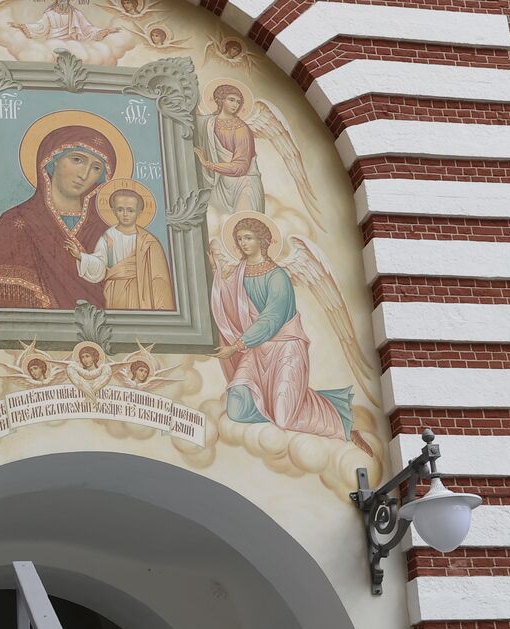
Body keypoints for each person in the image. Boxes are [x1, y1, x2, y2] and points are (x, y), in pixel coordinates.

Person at [211, 218, 374, 455]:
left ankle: (340, 420)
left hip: (285, 347)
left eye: (248, 238)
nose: (242, 243)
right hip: (256, 350)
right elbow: (227, 300)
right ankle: (287, 399)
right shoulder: (238, 273)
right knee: (237, 408)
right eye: (239, 239)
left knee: (285, 418)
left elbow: (272, 318)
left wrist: (236, 347)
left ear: (262, 240)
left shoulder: (277, 276)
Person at [0, 125, 117, 309]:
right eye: (77, 160)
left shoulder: (105, 231)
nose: (84, 175)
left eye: (96, 168)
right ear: (53, 160)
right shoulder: (15, 222)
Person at [74, 186, 175, 311]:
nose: (125, 214)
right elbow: (100, 263)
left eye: (130, 210)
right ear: (113, 210)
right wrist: (80, 256)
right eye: (120, 209)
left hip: (141, 290)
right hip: (116, 290)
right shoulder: (108, 236)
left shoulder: (149, 241)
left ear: (139, 212)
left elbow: (160, 278)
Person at [195, 84, 265, 219]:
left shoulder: (241, 129)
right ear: (220, 100)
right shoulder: (208, 122)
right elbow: (190, 119)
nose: (235, 105)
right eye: (231, 99)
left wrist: (209, 164)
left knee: (242, 224)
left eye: (238, 102)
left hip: (244, 186)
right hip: (219, 183)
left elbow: (241, 167)